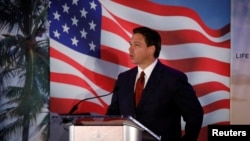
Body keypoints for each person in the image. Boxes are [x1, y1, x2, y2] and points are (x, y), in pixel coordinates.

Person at [106, 26, 204, 141]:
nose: (130, 49)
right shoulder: (123, 79)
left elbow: (194, 115)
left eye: (136, 45)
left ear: (151, 49)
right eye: (130, 44)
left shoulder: (173, 78)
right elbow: (113, 114)